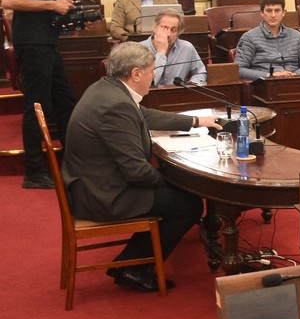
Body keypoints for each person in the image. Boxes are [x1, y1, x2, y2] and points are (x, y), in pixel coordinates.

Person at [62, 43, 219, 292]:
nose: (154, 76)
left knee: (180, 195)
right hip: (104, 194)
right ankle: (134, 267)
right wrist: (179, 181)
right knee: (188, 204)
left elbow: (143, 115)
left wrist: (195, 121)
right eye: (152, 71)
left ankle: (131, 262)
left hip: (94, 182)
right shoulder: (116, 105)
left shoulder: (107, 88)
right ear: (136, 73)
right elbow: (136, 172)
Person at [2, 0, 82, 190]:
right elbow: (9, 0)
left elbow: (46, 4)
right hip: (32, 44)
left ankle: (74, 162)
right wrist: (52, 5)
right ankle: (34, 171)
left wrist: (65, 11)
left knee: (64, 100)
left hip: (47, 41)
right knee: (37, 106)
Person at [234, 0, 300, 80]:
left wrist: (296, 75)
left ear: (283, 13)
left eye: (277, 10)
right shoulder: (249, 37)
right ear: (262, 13)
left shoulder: (295, 35)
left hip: (294, 81)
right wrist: (270, 75)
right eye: (269, 11)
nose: (273, 15)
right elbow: (238, 69)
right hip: (267, 84)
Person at [145, 8, 206, 86]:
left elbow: (200, 72)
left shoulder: (187, 48)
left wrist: (191, 84)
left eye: (173, 30)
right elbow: (149, 83)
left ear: (178, 32)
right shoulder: (139, 49)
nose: (168, 34)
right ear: (155, 28)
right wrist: (161, 52)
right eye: (164, 28)